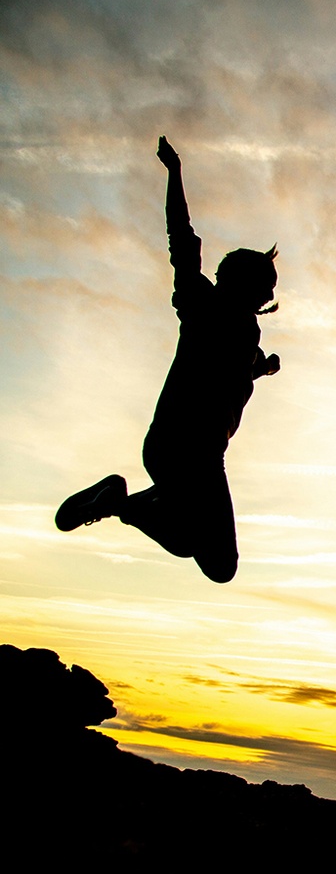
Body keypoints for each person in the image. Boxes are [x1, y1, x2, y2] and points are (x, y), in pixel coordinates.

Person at [55, 136, 280, 583]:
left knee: (188, 542)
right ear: (243, 283)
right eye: (267, 286)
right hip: (192, 454)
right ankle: (121, 503)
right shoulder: (203, 303)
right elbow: (181, 236)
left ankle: (121, 501)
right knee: (220, 564)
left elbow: (225, 375)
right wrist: (174, 174)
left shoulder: (241, 331)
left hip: (174, 450)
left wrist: (262, 368)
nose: (271, 295)